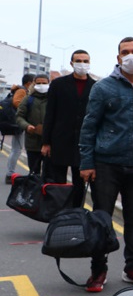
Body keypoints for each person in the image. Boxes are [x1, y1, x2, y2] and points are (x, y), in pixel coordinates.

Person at [79, 37, 133, 293]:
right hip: (106, 165)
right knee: (101, 220)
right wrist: (86, 162)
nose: (130, 56)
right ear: (118, 58)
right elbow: (89, 127)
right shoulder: (103, 88)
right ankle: (98, 270)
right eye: (125, 52)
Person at [42, 50, 95, 207]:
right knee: (58, 183)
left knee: (80, 184)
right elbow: (50, 114)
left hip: (83, 144)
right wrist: (46, 142)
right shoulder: (58, 84)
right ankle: (57, 216)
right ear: (72, 63)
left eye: (86, 61)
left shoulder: (96, 86)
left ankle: (76, 215)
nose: (82, 64)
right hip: (60, 141)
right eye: (78, 61)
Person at [15, 74, 50, 175]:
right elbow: (19, 116)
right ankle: (34, 190)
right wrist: (26, 126)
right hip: (32, 143)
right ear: (34, 84)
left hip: (50, 144)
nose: (41, 85)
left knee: (49, 174)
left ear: (49, 84)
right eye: (38, 83)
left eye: (44, 83)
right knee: (34, 173)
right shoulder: (28, 99)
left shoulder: (53, 99)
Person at [5, 73, 34, 183]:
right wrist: (27, 108)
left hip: (17, 123)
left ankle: (10, 172)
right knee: (16, 149)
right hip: (18, 123)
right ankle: (10, 173)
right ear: (29, 83)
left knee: (16, 148)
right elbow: (16, 102)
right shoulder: (22, 91)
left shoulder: (22, 90)